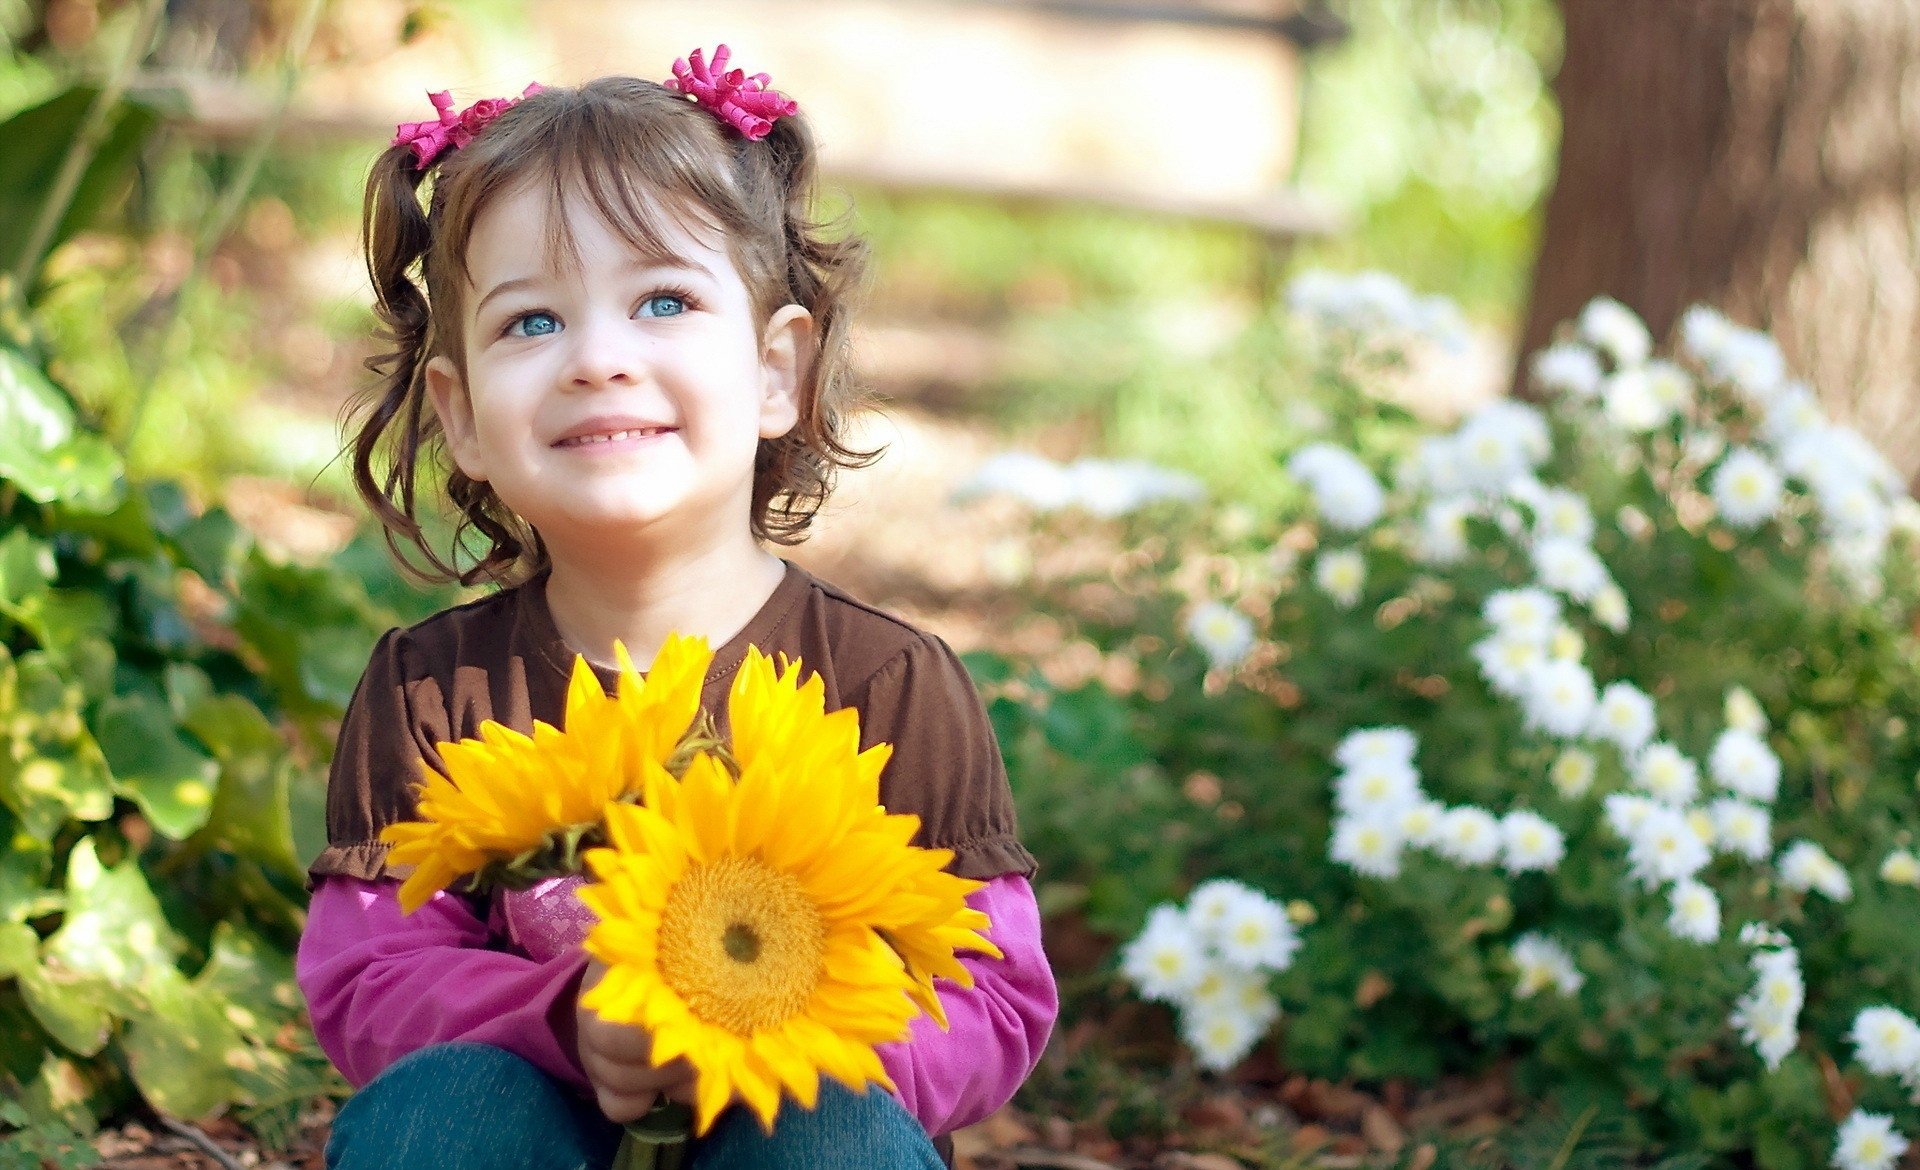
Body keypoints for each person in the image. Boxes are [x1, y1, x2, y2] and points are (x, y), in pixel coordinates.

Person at [295, 50, 1057, 1170]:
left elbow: (993, 998)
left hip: (799, 1118)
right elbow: (370, 977)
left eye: (664, 301)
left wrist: (783, 1029)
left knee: (833, 1130)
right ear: (459, 414)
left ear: (774, 370)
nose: (600, 359)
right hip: (533, 1134)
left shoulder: (891, 688)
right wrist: (566, 1019)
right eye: (531, 324)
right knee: (446, 1108)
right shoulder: (433, 690)